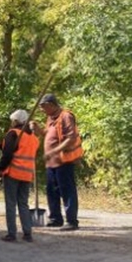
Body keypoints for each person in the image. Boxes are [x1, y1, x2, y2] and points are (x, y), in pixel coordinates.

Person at [40, 93, 84, 230]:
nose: (42, 110)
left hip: (64, 160)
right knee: (52, 190)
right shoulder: (51, 117)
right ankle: (55, 218)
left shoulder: (66, 116)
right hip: (51, 162)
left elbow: (70, 138)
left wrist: (54, 151)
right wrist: (37, 129)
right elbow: (47, 133)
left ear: (52, 105)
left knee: (67, 190)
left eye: (44, 107)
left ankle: (71, 221)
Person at [0, 109, 39, 242]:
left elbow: (8, 154)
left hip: (13, 173)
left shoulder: (13, 133)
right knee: (23, 204)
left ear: (15, 121)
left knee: (10, 204)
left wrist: (0, 168)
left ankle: (11, 234)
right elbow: (19, 149)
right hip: (27, 175)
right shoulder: (33, 138)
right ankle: (27, 233)